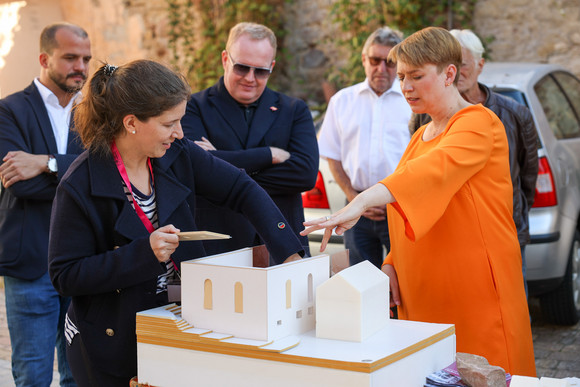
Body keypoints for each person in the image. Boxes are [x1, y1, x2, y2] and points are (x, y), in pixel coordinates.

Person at [47, 59, 304, 386]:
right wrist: (145, 253)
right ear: (132, 123)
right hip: (110, 342)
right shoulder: (78, 184)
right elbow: (65, 275)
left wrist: (288, 252)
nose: (180, 133)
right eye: (170, 123)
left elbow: (241, 189)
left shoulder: (176, 152)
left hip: (175, 327)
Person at [301, 27, 536, 376]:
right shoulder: (420, 135)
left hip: (474, 292)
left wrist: (360, 201)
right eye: (402, 77)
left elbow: (428, 175)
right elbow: (412, 205)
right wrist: (394, 261)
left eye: (416, 76)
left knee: (483, 373)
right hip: (424, 294)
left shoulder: (478, 123)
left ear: (449, 74)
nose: (406, 87)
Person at [409, 29, 538, 296]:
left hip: (502, 230)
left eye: (463, 63)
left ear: (480, 66)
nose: (457, 71)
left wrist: (510, 214)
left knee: (507, 303)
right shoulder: (426, 117)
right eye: (450, 64)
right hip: (448, 235)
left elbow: (528, 175)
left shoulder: (514, 113)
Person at [0, 22, 91, 386]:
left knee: (79, 373)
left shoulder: (92, 113)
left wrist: (46, 163)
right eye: (70, 57)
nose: (80, 67)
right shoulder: (8, 110)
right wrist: (76, 174)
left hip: (82, 262)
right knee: (33, 375)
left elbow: (104, 176)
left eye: (85, 58)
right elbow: (21, 185)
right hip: (29, 262)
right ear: (44, 58)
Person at [181, 22, 318, 258]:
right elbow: (194, 169)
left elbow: (305, 174)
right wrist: (268, 155)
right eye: (242, 68)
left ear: (272, 67)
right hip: (220, 244)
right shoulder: (193, 107)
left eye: (261, 71)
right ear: (225, 59)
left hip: (282, 243)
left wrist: (219, 164)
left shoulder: (293, 109)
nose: (250, 78)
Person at [317, 27, 411, 269]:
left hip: (402, 210)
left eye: (390, 62)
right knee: (362, 284)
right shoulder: (342, 101)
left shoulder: (414, 102)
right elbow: (333, 156)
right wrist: (353, 196)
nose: (381, 68)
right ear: (363, 60)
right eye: (375, 60)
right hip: (357, 212)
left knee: (405, 285)